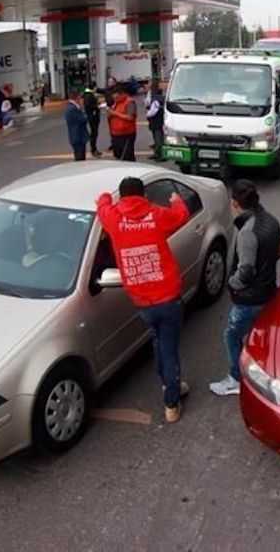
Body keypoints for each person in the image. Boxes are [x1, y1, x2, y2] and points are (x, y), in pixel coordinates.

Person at [96, 177, 192, 422]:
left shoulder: (115, 219)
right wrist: (177, 200)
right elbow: (181, 216)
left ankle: (166, 383)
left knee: (159, 340)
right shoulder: (155, 215)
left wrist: (107, 197)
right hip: (168, 296)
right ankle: (171, 401)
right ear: (144, 196)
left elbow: (102, 205)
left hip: (141, 301)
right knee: (169, 347)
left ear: (123, 197)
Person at [209, 180, 280, 397]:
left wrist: (231, 283)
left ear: (234, 203)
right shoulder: (270, 220)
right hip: (268, 291)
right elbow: (276, 253)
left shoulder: (247, 232)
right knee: (259, 336)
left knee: (231, 336)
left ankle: (235, 378)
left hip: (250, 298)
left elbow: (246, 270)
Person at [106, 84, 138, 161]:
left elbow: (130, 117)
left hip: (126, 134)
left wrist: (114, 113)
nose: (115, 100)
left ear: (122, 94)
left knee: (127, 156)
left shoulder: (129, 103)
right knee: (118, 155)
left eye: (116, 98)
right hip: (115, 134)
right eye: (114, 98)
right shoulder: (116, 103)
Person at [64, 89, 89, 161]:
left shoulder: (71, 107)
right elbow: (82, 120)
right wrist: (85, 115)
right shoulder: (73, 109)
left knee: (79, 155)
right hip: (78, 137)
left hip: (76, 137)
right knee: (80, 157)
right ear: (77, 98)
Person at [145, 79, 166, 161]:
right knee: (155, 135)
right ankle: (156, 152)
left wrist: (148, 113)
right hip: (154, 118)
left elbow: (154, 109)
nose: (147, 84)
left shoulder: (156, 94)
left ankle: (160, 155)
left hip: (156, 118)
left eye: (149, 82)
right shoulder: (150, 93)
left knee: (158, 136)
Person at [82, 85, 102, 157]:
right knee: (94, 133)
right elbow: (89, 105)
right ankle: (93, 149)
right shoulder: (88, 95)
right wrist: (97, 107)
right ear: (93, 88)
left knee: (94, 133)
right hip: (93, 116)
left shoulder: (88, 94)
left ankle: (94, 149)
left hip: (93, 115)